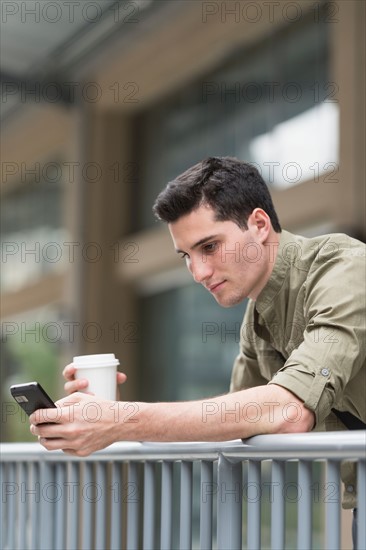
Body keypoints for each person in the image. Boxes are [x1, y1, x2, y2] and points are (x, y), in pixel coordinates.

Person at [30, 157, 365, 544]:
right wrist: (111, 420)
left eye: (209, 246)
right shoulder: (258, 318)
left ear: (258, 225)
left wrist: (123, 419)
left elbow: (286, 412)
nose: (198, 272)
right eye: (187, 255)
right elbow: (231, 427)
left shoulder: (345, 267)